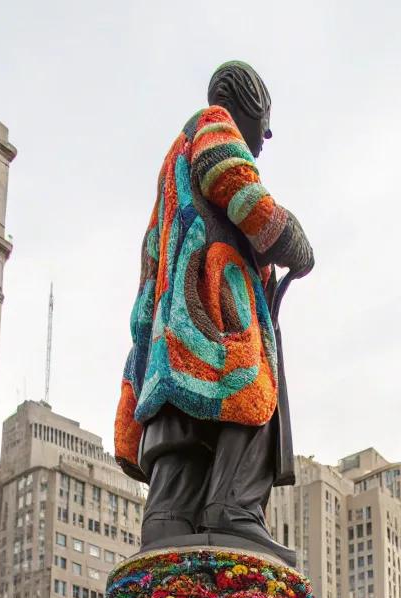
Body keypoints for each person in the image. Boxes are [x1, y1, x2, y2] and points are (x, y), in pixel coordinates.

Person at [115, 63, 315, 558]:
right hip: (217, 307)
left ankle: (170, 514)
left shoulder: (172, 162)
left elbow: (149, 253)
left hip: (173, 326)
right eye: (264, 119)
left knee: (183, 421)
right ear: (244, 106)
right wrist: (290, 238)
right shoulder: (212, 126)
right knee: (253, 392)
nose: (266, 135)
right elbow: (238, 186)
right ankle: (234, 507)